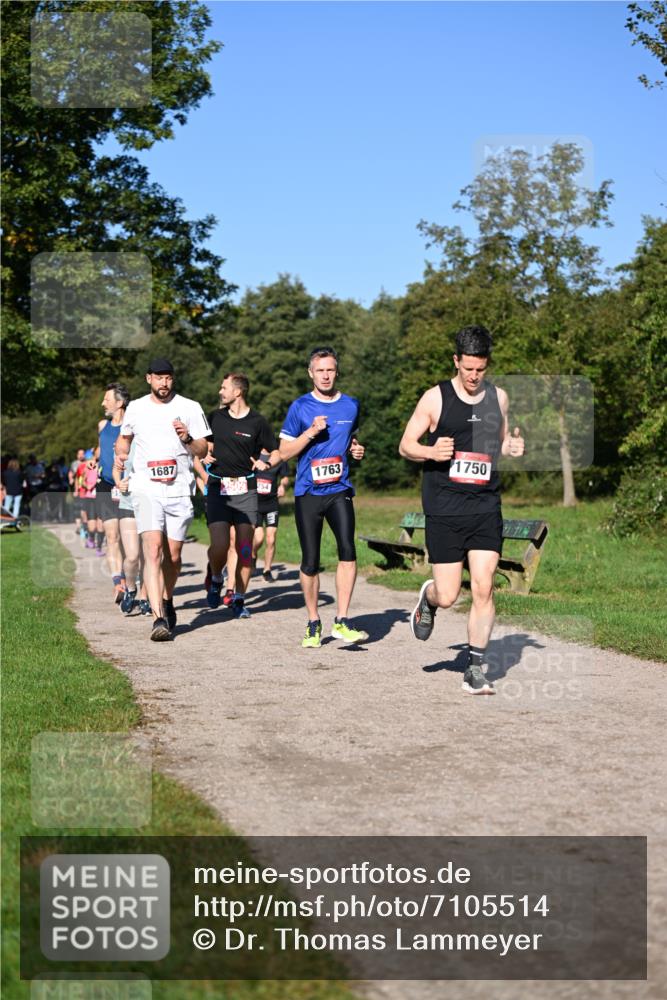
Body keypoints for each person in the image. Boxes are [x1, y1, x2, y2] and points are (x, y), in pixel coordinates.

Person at [398, 324, 525, 695]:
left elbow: (497, 446)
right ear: (456, 361)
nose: (474, 376)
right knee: (450, 594)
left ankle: (475, 668)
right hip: (444, 507)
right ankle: (430, 598)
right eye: (468, 368)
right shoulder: (435, 399)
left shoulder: (498, 399)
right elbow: (406, 444)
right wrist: (429, 451)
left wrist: (512, 449)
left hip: (485, 504)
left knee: (484, 587)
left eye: (480, 369)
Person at [115, 358, 210, 641]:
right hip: (146, 488)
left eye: (168, 378)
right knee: (153, 550)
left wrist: (188, 437)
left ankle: (168, 600)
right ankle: (158, 618)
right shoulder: (136, 408)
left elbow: (203, 449)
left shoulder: (190, 407)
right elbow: (124, 440)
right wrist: (121, 454)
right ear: (149, 380)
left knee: (174, 555)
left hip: (179, 487)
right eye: (158, 378)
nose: (164, 383)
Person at [279, 347, 367, 648]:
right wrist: (310, 434)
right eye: (320, 370)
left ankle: (342, 620)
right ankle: (314, 622)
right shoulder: (300, 407)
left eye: (330, 370)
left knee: (348, 550)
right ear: (311, 373)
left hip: (339, 489)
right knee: (311, 561)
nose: (326, 375)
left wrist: (356, 450)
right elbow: (283, 452)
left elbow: (351, 438)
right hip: (308, 492)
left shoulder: (351, 405)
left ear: (336, 371)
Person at [204, 373, 280, 619]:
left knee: (245, 549)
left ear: (238, 392)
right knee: (220, 545)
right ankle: (216, 577)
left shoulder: (257, 422)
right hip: (218, 489)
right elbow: (200, 446)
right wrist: (202, 455)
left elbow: (276, 451)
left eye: (223, 387)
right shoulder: (215, 417)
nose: (219, 391)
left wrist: (264, 462)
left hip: (246, 490)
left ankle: (239, 598)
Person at [97, 383, 131, 603]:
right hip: (106, 485)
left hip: (128, 487)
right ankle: (118, 581)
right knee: (112, 536)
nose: (103, 403)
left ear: (119, 403)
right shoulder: (102, 425)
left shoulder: (132, 427)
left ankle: (132, 578)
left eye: (107, 400)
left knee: (129, 538)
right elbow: (101, 449)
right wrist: (94, 462)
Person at [113, 439, 150, 617]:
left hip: (152, 504)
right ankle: (130, 588)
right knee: (133, 556)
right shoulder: (126, 440)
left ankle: (145, 598)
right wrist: (119, 482)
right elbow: (116, 468)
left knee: (148, 556)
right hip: (129, 504)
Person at [252, 452, 289, 582]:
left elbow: (285, 477)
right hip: (254, 504)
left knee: (271, 539)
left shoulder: (279, 457)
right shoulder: (253, 453)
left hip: (271, 504)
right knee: (259, 538)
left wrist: (282, 485)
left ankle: (267, 570)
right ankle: (252, 554)